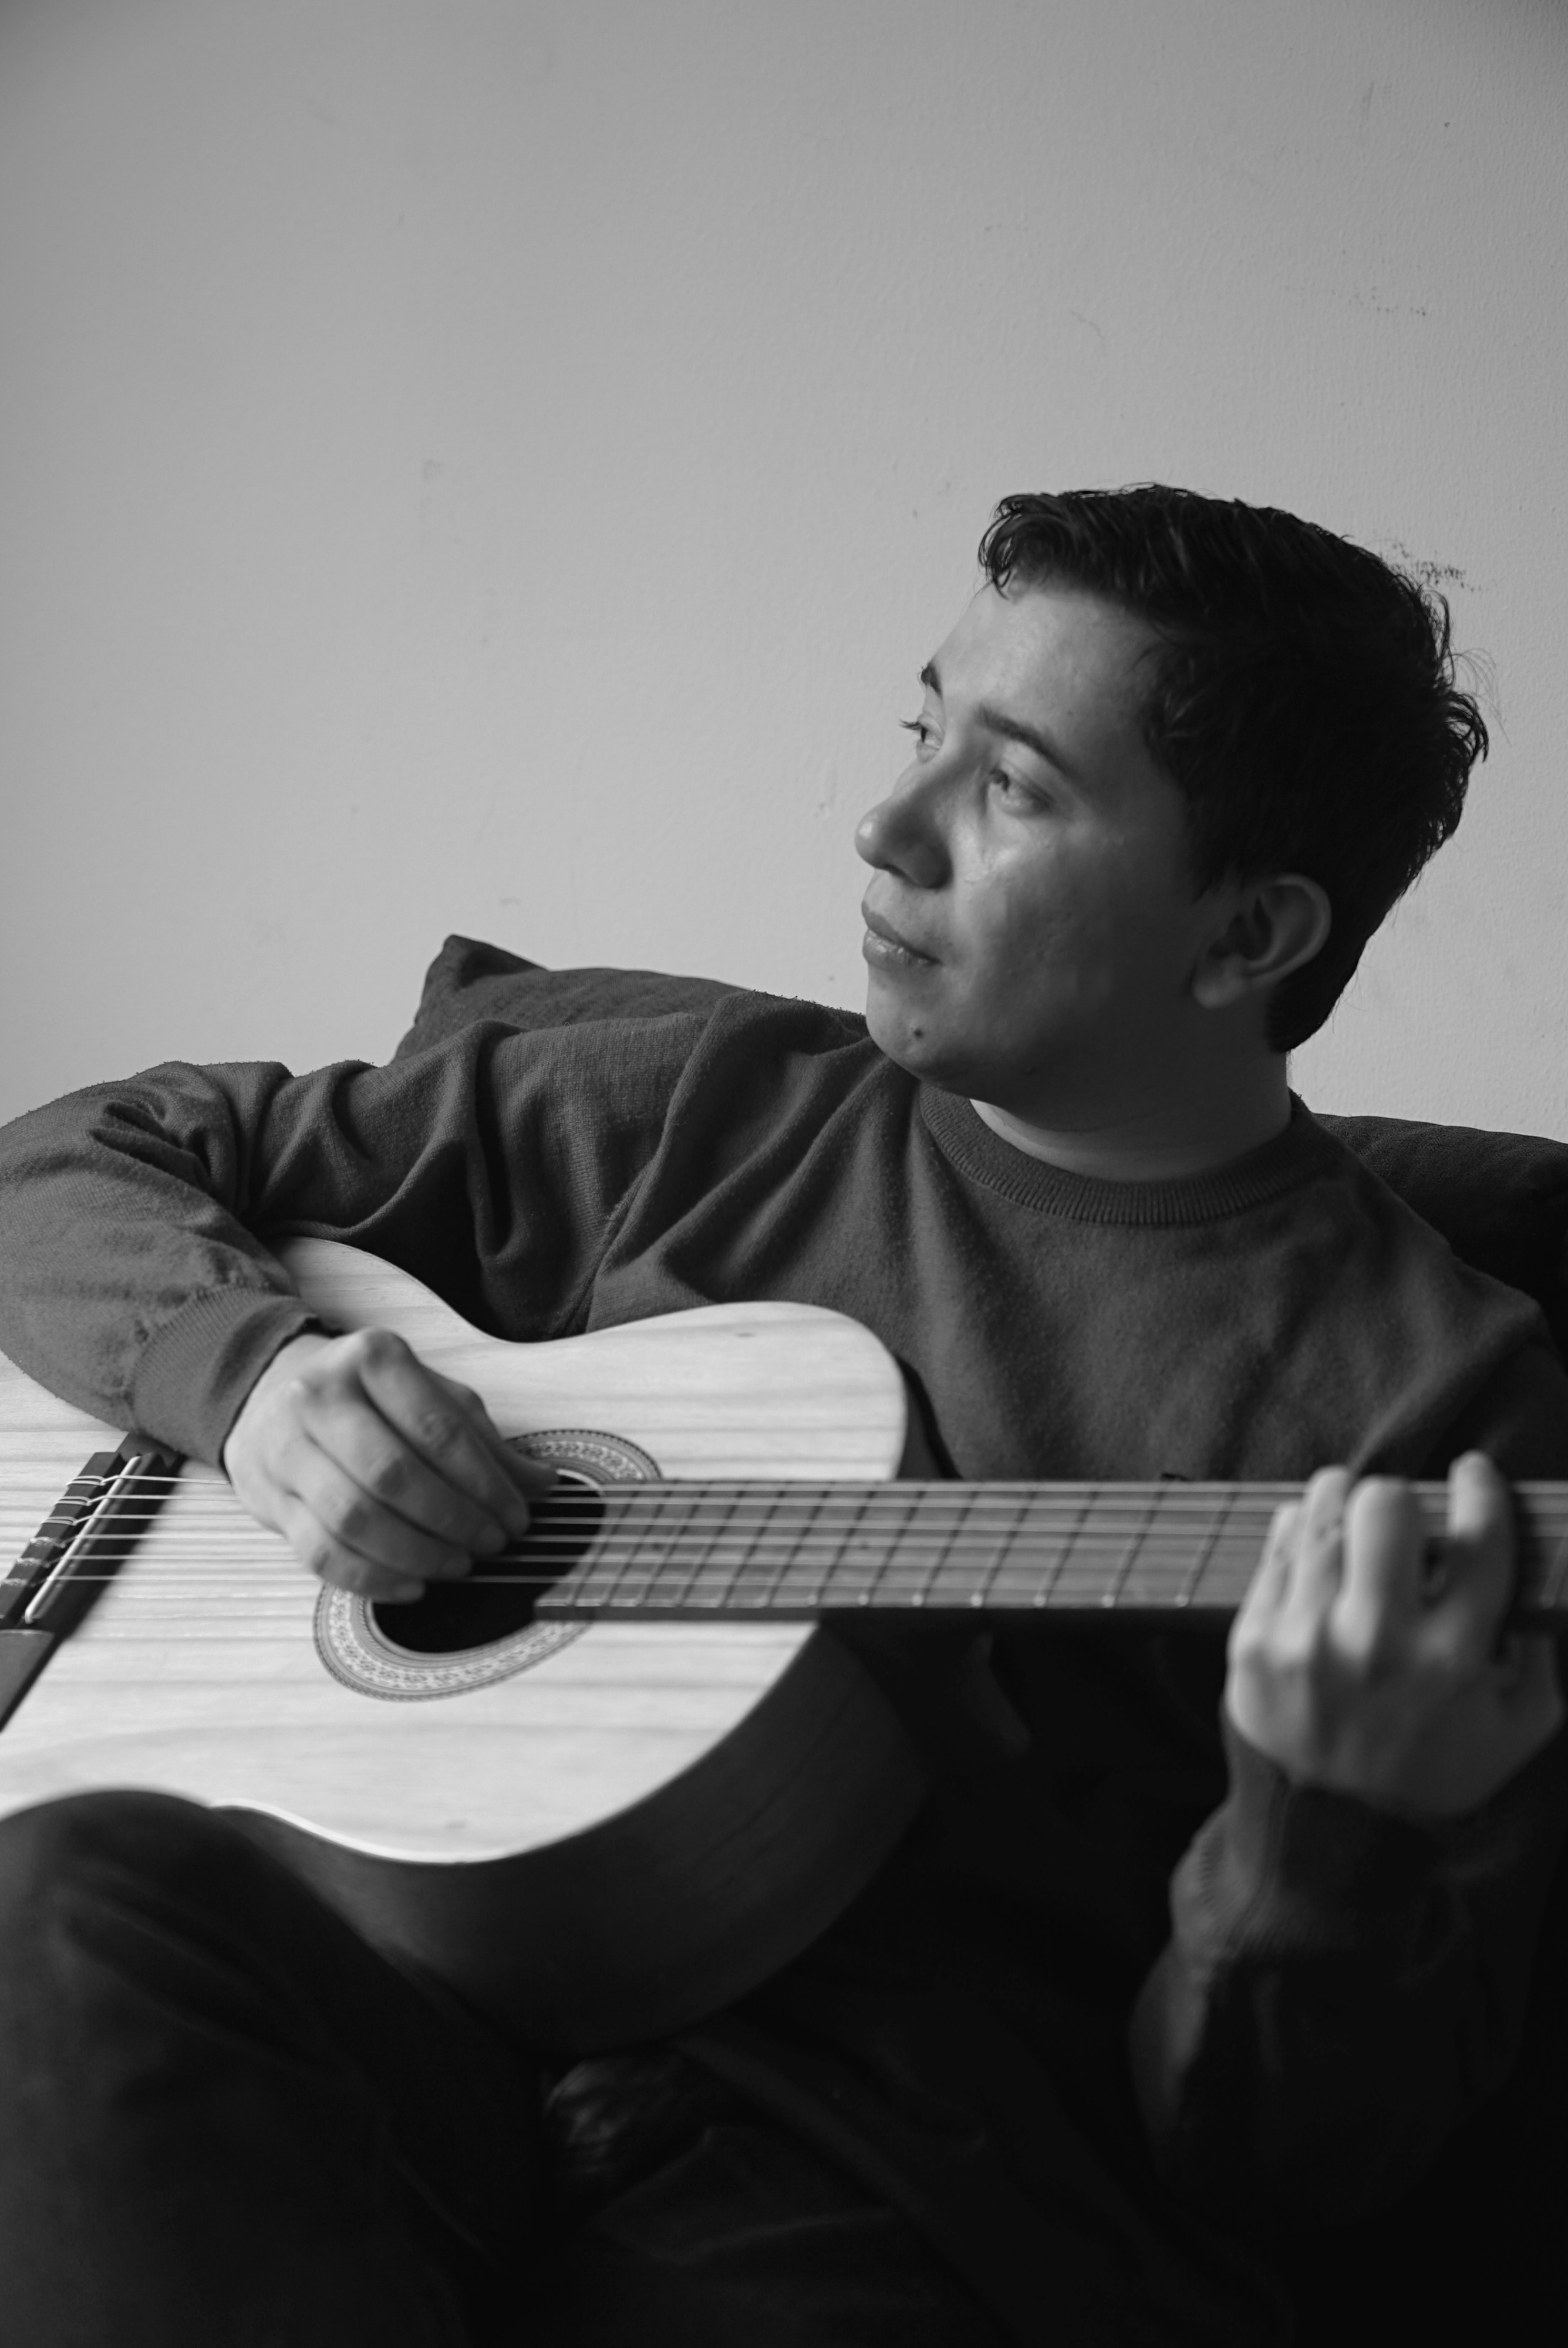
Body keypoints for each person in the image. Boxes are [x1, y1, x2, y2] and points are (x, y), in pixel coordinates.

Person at [0, 484, 1564, 2347]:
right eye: (926, 730)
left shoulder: (1444, 1405)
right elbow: (65, 1164)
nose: (887, 826)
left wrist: (1327, 1832)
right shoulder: (710, 1106)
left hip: (891, 2192)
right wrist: (254, 1384)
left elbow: (1283, 2177)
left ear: (1245, 935)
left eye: (1012, 787)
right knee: (62, 1899)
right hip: (417, 2023)